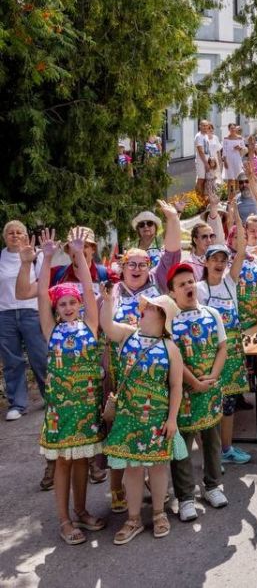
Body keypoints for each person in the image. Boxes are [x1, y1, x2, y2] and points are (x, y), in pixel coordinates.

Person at [26, 231, 105, 545]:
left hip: (86, 407)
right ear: (57, 309)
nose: (70, 307)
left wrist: (79, 255)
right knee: (64, 461)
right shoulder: (51, 330)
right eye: (64, 304)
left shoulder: (90, 325)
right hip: (61, 410)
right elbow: (42, 295)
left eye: (74, 302)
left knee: (83, 460)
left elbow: (88, 287)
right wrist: (46, 258)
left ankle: (82, 511)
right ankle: (64, 520)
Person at [99, 288, 184, 545]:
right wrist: (106, 300)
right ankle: (133, 518)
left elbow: (176, 387)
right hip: (128, 417)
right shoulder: (127, 335)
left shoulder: (170, 348)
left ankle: (159, 513)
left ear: (160, 315)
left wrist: (172, 419)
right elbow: (106, 325)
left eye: (147, 308)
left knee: (158, 467)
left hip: (157, 420)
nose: (142, 310)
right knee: (132, 469)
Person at [165, 262, 228, 522]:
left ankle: (212, 485)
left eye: (191, 281)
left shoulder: (212, 313)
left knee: (212, 441)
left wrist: (212, 376)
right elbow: (173, 358)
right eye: (182, 284)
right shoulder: (168, 322)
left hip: (210, 391)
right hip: (184, 395)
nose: (188, 286)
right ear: (172, 293)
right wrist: (194, 382)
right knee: (182, 446)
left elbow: (222, 347)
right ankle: (185, 496)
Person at [198, 220, 251, 468]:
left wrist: (237, 218)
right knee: (210, 406)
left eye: (223, 259)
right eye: (214, 259)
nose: (219, 263)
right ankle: (212, 454)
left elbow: (241, 250)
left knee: (229, 405)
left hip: (232, 356)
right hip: (209, 358)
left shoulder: (230, 283)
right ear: (206, 262)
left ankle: (226, 449)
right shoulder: (198, 289)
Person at [1, 220, 47, 430]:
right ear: (4, 237)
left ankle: (51, 396)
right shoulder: (0, 257)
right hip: (5, 313)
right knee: (12, 360)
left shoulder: (35, 255)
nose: (15, 235)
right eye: (10, 233)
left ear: (26, 236)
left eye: (19, 232)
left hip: (31, 311)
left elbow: (43, 283)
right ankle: (18, 404)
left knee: (39, 355)